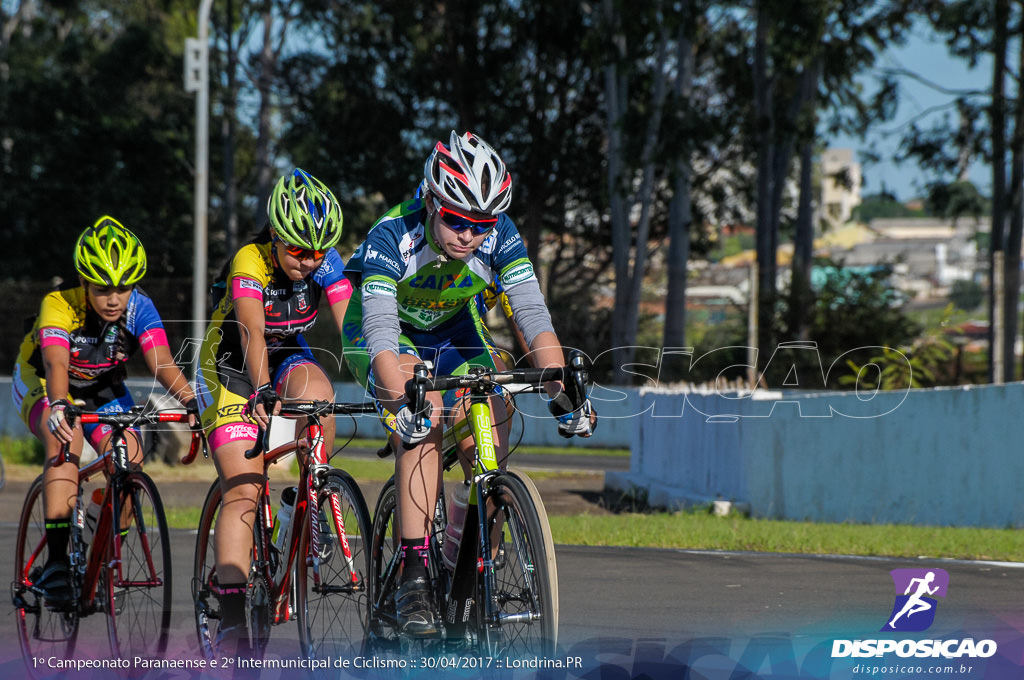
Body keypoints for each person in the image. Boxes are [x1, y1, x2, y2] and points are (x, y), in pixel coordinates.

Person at [341, 131, 596, 637]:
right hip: (387, 334)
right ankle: (414, 571)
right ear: (432, 202)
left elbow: (530, 315)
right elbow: (381, 333)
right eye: (456, 220)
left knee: (494, 402)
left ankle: (469, 534)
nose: (468, 236)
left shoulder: (501, 234)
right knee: (424, 411)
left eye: (481, 226)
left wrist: (561, 389)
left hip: (456, 328)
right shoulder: (394, 233)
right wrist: (405, 402)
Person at [192, 168, 351, 653]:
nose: (309, 261)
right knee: (244, 487)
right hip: (230, 364)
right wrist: (261, 391)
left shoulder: (325, 262)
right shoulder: (249, 260)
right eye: (299, 250)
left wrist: (388, 389)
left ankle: (311, 503)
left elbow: (355, 331)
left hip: (287, 352)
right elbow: (252, 332)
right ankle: (233, 618)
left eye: (318, 251)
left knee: (321, 398)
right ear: (277, 237)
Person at [11, 216, 199, 608]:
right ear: (84, 283)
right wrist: (60, 406)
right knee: (67, 440)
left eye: (123, 288)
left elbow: (161, 362)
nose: (114, 299)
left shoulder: (139, 308)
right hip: (45, 382)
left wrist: (192, 401)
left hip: (101, 386)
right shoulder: (58, 305)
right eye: (103, 289)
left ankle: (100, 541)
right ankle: (59, 562)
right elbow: (56, 365)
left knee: (130, 458)